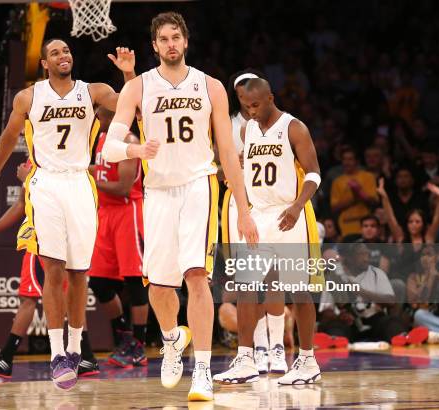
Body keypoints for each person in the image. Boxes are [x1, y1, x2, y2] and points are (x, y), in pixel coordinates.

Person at [102, 12, 258, 401]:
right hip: (157, 190)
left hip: (198, 186)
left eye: (176, 37)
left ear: (185, 41)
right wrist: (137, 149)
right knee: (158, 285)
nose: (171, 44)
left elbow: (227, 152)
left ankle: (203, 370)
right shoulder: (137, 87)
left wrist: (243, 208)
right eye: (163, 39)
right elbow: (110, 146)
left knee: (196, 276)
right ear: (153, 46)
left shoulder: (211, 87)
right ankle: (172, 339)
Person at [0, 41, 135, 390]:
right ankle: (56, 354)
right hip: (45, 183)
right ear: (44, 63)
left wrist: (128, 74)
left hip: (81, 181)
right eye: (55, 53)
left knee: (80, 273)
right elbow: (7, 138)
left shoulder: (94, 91)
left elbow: (133, 107)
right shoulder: (28, 97)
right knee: (53, 266)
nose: (63, 55)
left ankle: (76, 350)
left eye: (67, 51)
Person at [213, 77, 322, 385]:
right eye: (245, 106)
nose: (250, 111)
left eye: (256, 104)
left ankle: (308, 360)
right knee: (247, 289)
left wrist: (298, 205)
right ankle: (246, 359)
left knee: (299, 291)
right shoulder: (248, 129)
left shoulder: (294, 128)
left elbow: (314, 174)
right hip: (258, 217)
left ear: (271, 97)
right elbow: (246, 168)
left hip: (288, 215)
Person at [0, 162, 99, 378]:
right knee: (66, 294)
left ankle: (6, 359)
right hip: (46, 233)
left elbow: (87, 173)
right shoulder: (38, 157)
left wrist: (30, 177)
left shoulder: (58, 160)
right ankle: (86, 356)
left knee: (30, 297)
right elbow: (21, 204)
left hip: (46, 236)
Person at [221, 68, 288, 376]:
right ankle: (258, 347)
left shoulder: (281, 123)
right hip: (239, 203)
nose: (245, 95)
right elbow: (221, 165)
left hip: (268, 203)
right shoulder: (227, 122)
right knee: (248, 280)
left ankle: (277, 347)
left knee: (273, 276)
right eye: (239, 90)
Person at [88, 108, 148, 368]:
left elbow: (123, 187)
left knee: (135, 281)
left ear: (113, 115)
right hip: (105, 213)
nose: (97, 118)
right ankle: (124, 337)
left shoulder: (130, 142)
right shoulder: (101, 138)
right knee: (99, 282)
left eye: (100, 114)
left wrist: (87, 174)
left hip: (128, 211)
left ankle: (139, 345)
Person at [330, 148, 379, 237]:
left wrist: (359, 191)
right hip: (345, 227)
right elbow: (334, 208)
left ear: (357, 161)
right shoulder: (337, 181)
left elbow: (374, 202)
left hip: (366, 228)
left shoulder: (368, 177)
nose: (347, 162)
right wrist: (354, 198)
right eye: (344, 159)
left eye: (350, 159)